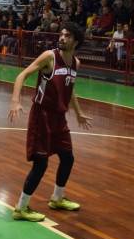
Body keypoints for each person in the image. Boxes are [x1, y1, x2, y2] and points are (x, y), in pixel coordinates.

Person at [8, 22, 92, 222]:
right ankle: (21, 207)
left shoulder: (76, 64)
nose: (62, 38)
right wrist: (15, 101)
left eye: (67, 36)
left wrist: (79, 113)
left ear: (76, 41)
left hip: (59, 118)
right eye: (61, 35)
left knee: (68, 157)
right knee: (41, 164)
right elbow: (22, 75)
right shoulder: (49, 57)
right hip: (42, 115)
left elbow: (70, 90)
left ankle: (57, 197)